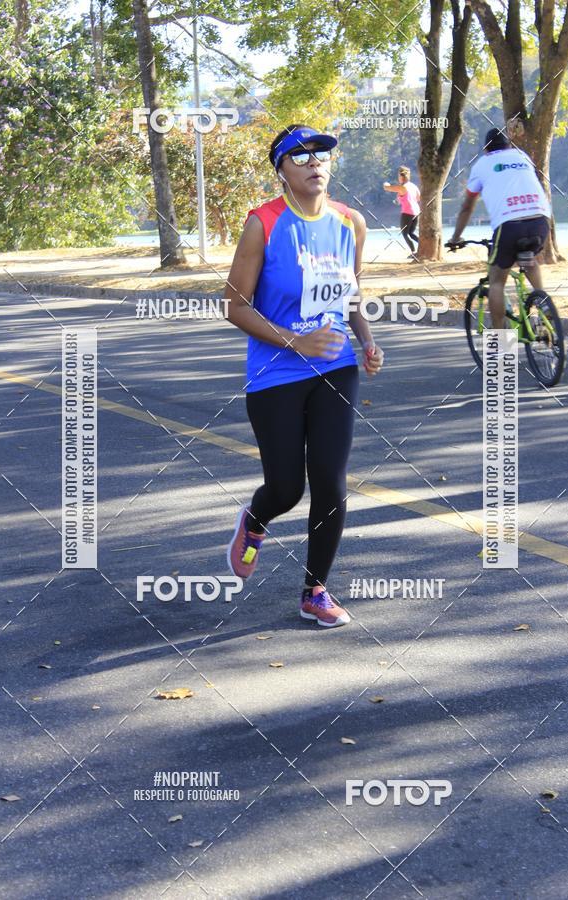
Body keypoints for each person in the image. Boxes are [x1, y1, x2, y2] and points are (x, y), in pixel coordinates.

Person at [224, 124, 384, 627]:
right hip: (276, 374)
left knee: (331, 484)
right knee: (286, 489)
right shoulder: (264, 224)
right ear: (281, 171)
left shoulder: (350, 222)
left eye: (321, 155)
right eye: (299, 156)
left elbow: (351, 292)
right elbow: (234, 306)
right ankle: (255, 520)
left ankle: (315, 591)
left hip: (336, 366)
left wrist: (366, 340)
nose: (314, 162)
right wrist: (295, 341)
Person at [449, 127, 551, 329]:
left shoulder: (482, 164)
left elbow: (467, 206)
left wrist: (455, 238)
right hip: (540, 220)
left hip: (509, 224)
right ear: (508, 145)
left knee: (496, 281)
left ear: (486, 149)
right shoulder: (521, 156)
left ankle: (500, 340)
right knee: (529, 259)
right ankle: (544, 305)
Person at [383, 166, 420, 257]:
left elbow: (387, 188)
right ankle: (423, 245)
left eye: (399, 176)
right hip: (416, 212)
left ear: (401, 177)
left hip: (407, 212)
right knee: (411, 233)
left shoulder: (403, 187)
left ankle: (414, 252)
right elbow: (418, 198)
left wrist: (385, 183)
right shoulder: (413, 186)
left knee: (405, 233)